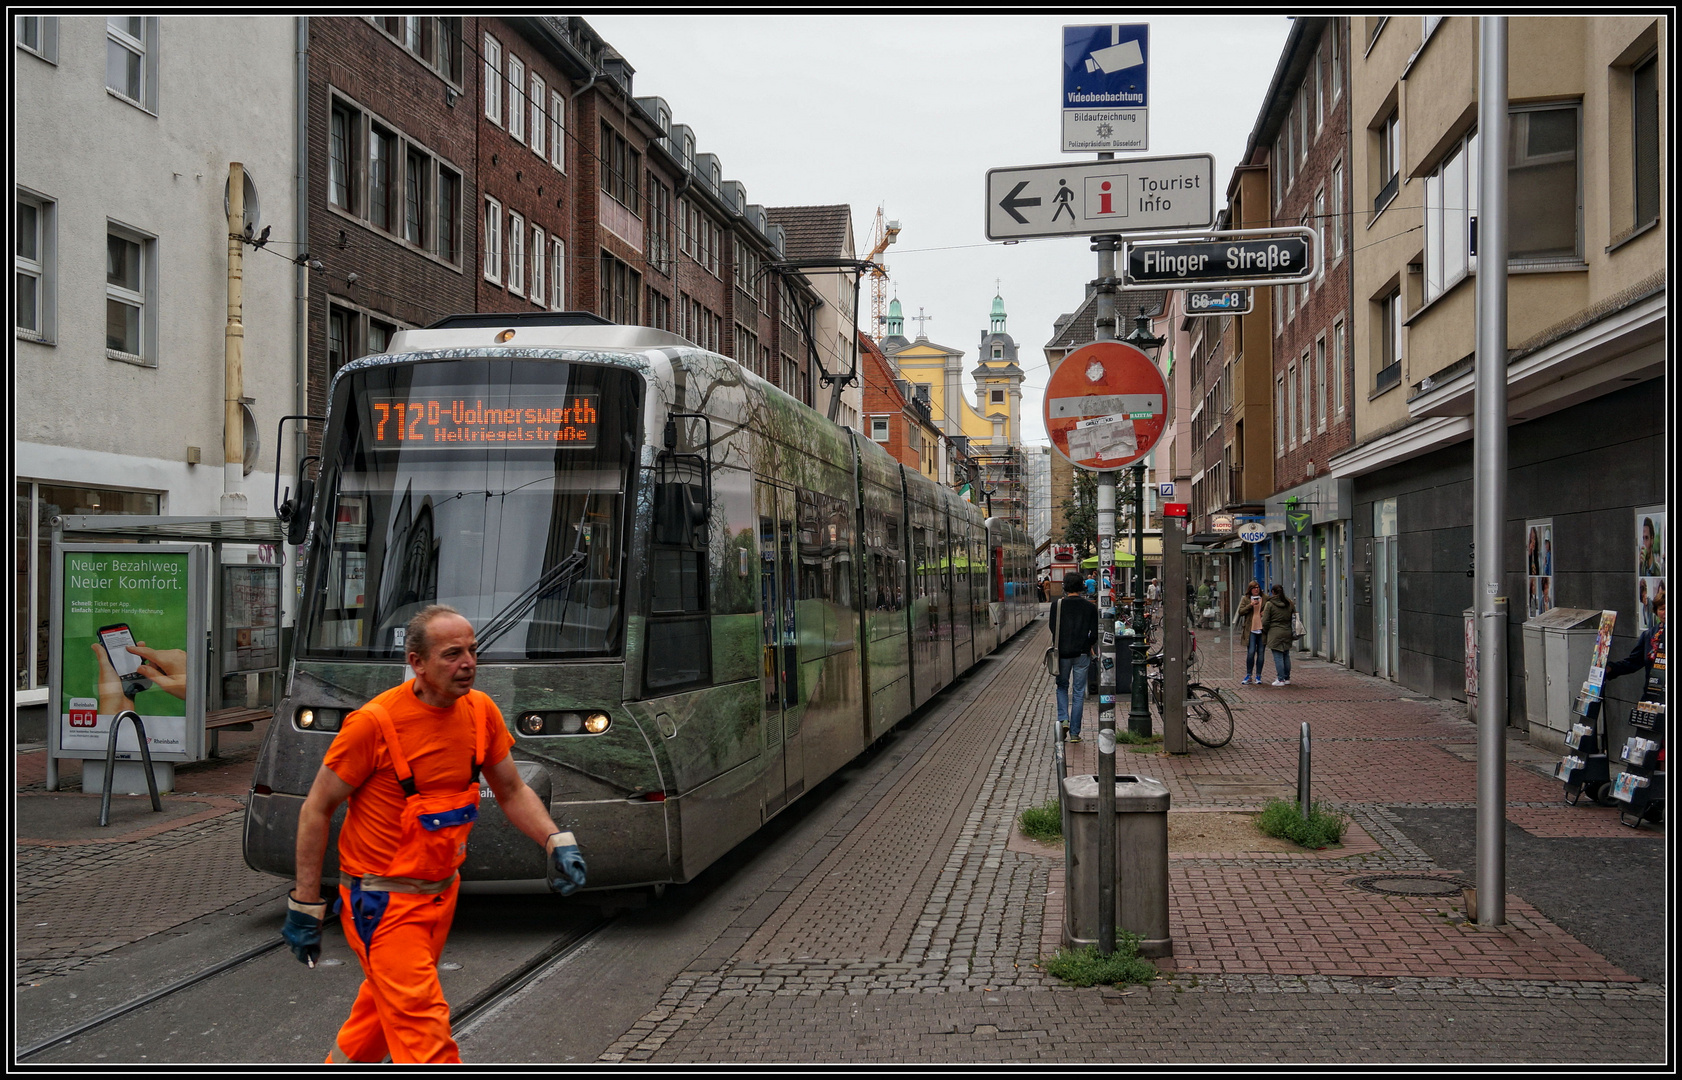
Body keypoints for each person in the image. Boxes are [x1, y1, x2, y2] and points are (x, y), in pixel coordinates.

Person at [282, 605, 588, 1064]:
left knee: (377, 1021)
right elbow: (316, 808)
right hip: (381, 904)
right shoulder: (373, 724)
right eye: (451, 654)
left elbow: (510, 789)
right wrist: (306, 903)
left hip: (441, 895)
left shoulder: (480, 712)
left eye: (472, 651)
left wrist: (554, 839)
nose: (467, 663)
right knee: (426, 1036)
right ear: (417, 663)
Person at [1050, 571, 1099, 743]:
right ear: (1082, 587)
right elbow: (1094, 633)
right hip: (1082, 653)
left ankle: (1063, 719)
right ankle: (1075, 733)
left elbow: (1052, 628)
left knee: (1062, 686)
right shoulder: (1090, 607)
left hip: (1062, 654)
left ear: (1065, 586)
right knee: (1078, 692)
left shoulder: (1057, 605)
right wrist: (1089, 644)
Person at [1231, 580, 1267, 685]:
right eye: (1254, 588)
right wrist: (1250, 605)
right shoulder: (1246, 599)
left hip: (1262, 629)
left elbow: (1271, 610)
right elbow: (1241, 612)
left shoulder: (1265, 599)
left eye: (1258, 587)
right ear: (1250, 590)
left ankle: (1258, 676)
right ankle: (1248, 675)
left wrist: (1265, 612)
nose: (1256, 589)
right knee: (1251, 652)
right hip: (1250, 629)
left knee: (1261, 653)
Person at [1261, 584, 1296, 686]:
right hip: (1287, 631)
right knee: (1286, 654)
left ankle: (1280, 679)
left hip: (1274, 632)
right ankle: (1287, 677)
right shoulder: (1289, 602)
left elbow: (1265, 621)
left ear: (1273, 592)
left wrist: (1266, 630)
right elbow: (1293, 615)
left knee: (1278, 656)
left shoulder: (1270, 604)